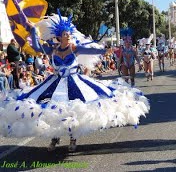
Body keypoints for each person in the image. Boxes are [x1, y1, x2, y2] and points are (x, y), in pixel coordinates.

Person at [0, 11, 150, 152]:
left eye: (69, 33)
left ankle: (73, 138)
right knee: (53, 109)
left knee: (74, 110)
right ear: (59, 37)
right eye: (65, 34)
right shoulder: (52, 50)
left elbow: (91, 50)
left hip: (75, 83)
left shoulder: (74, 48)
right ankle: (54, 137)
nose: (69, 35)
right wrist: (33, 31)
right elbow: (36, 46)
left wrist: (104, 51)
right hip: (55, 84)